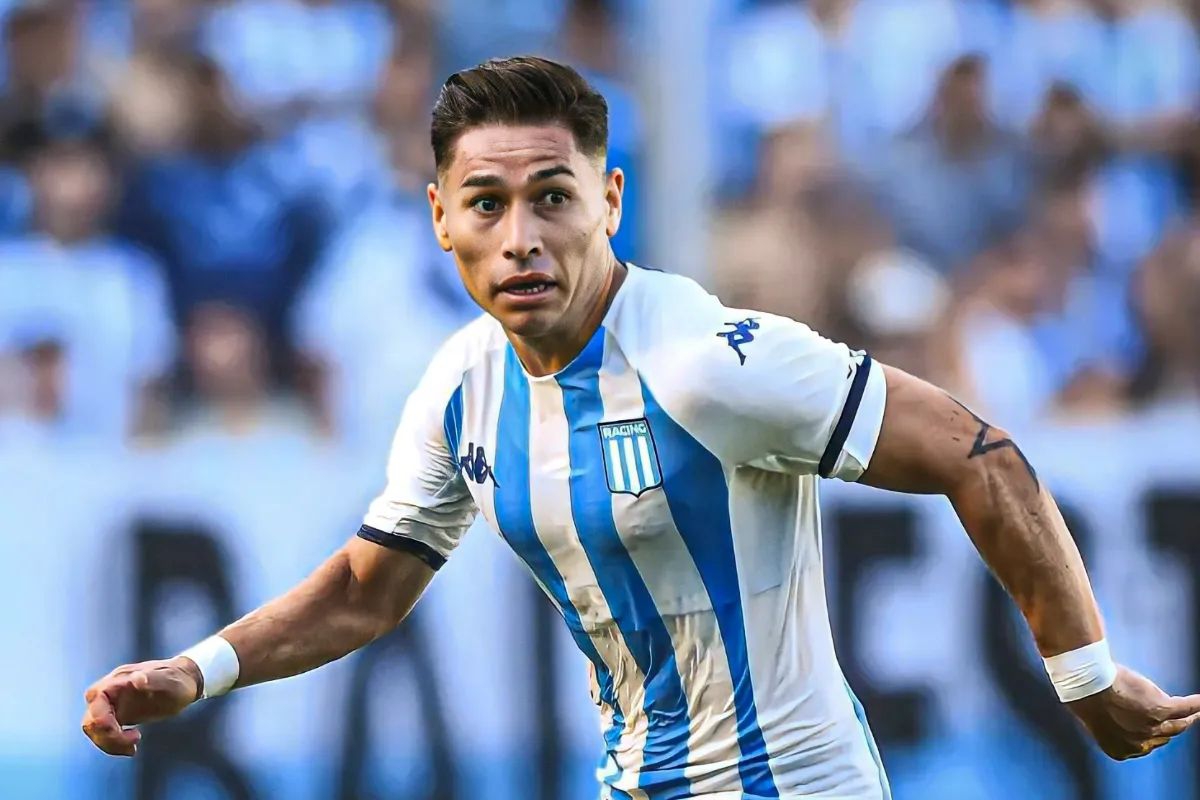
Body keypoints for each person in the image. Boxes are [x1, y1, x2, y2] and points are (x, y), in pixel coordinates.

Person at [81, 57, 1199, 799]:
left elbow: (978, 452)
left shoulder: (704, 361)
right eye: (486, 204)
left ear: (610, 200)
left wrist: (1086, 673)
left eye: (552, 197)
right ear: (439, 219)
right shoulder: (463, 386)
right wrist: (201, 666)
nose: (521, 237)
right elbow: (369, 586)